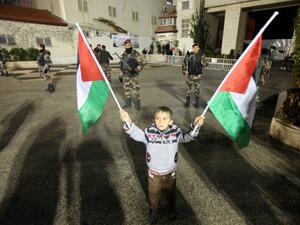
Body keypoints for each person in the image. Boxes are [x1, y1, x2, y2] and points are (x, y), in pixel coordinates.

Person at [119, 106, 205, 224]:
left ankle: (172, 209)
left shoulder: (175, 132)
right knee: (153, 193)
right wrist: (127, 119)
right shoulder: (149, 132)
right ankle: (154, 210)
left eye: (164, 119)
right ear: (154, 120)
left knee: (171, 192)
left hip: (171, 172)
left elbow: (188, 136)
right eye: (158, 118)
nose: (161, 121)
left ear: (171, 121)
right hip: (154, 172)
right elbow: (136, 133)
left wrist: (196, 125)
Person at [119, 39, 144, 110]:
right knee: (127, 90)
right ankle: (128, 104)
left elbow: (141, 64)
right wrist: (120, 75)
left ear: (131, 45)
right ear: (124, 46)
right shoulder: (123, 55)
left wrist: (135, 70)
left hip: (133, 76)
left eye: (129, 45)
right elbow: (121, 66)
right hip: (125, 75)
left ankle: (138, 104)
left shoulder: (136, 54)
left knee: (136, 90)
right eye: (126, 45)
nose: (127, 46)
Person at [182, 43, 208, 107]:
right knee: (188, 89)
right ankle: (187, 102)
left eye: (197, 47)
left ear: (199, 48)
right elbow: (184, 63)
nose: (195, 49)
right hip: (190, 75)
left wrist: (203, 63)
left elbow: (207, 64)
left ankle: (197, 102)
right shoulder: (188, 55)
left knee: (197, 89)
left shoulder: (202, 55)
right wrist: (184, 71)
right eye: (194, 47)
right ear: (192, 48)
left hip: (197, 75)